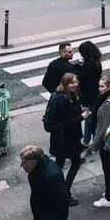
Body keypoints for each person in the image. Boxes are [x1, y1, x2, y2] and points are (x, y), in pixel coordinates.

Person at [20, 144, 69, 220]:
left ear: (33, 162)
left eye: (24, 163)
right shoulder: (36, 171)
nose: (22, 166)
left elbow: (62, 202)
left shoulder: (51, 176)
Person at [44, 73, 83, 207]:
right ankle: (65, 193)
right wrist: (81, 117)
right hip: (66, 139)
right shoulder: (63, 99)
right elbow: (66, 122)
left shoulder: (60, 95)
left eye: (76, 81)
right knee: (76, 162)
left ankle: (55, 190)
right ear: (65, 84)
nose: (75, 84)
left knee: (59, 165)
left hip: (60, 138)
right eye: (72, 82)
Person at [91, 75, 110, 209]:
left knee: (107, 168)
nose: (99, 89)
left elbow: (104, 126)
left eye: (102, 86)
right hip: (107, 138)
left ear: (109, 87)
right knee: (107, 167)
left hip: (106, 140)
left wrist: (95, 144)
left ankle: (109, 197)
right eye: (99, 86)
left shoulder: (108, 103)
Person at [77, 41, 102, 147]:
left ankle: (96, 141)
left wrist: (78, 69)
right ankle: (87, 139)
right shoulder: (96, 62)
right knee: (88, 118)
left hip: (88, 96)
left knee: (90, 119)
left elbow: (84, 79)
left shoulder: (89, 65)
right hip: (94, 94)